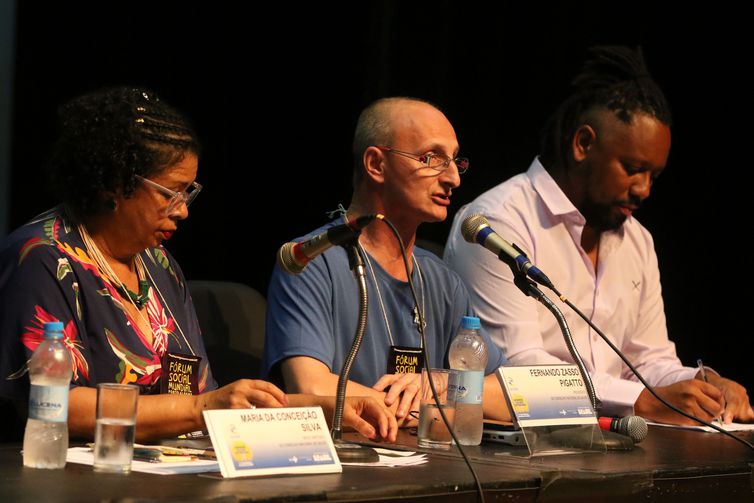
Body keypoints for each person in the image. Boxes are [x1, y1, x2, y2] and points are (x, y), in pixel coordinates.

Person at [0, 87, 397, 443]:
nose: (183, 211)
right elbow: (54, 405)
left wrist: (317, 410)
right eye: (171, 193)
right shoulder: (42, 258)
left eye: (188, 193)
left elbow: (210, 400)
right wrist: (201, 409)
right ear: (115, 182)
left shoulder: (158, 264)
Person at [445, 46, 754, 425]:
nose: (644, 190)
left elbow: (649, 360)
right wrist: (640, 400)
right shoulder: (498, 222)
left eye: (653, 176)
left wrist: (701, 384)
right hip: (512, 452)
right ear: (583, 144)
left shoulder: (638, 240)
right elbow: (520, 371)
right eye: (632, 168)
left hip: (615, 441)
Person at [263, 97, 510, 424]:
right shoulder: (310, 260)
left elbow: (511, 395)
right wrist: (427, 406)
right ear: (376, 164)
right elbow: (311, 387)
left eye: (455, 161)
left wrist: (442, 384)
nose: (453, 178)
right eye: (432, 157)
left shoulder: (441, 281)